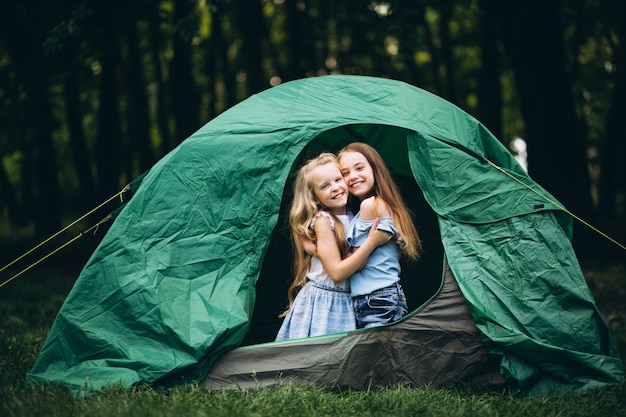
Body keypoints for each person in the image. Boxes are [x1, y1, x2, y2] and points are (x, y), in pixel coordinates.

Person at [276, 153, 391, 341]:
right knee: (318, 358)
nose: (335, 188)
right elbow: (337, 273)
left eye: (338, 180)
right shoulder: (324, 221)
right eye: (325, 186)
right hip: (324, 301)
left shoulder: (355, 216)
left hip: (346, 300)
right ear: (316, 198)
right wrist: (372, 241)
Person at [338, 142, 422, 329]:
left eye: (359, 168)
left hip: (375, 299)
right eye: (345, 173)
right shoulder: (383, 204)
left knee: (377, 358)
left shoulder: (370, 206)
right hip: (383, 297)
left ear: (375, 169)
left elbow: (358, 264)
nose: (353, 176)